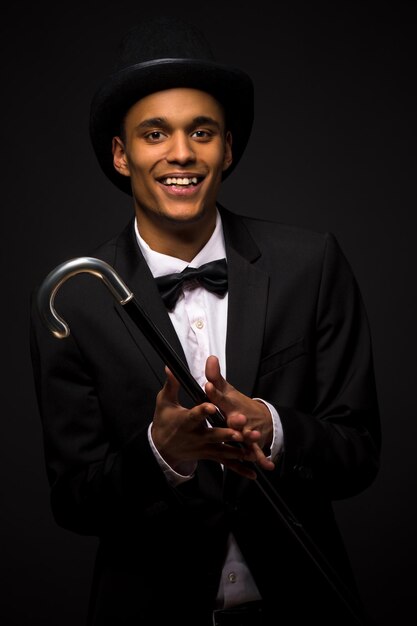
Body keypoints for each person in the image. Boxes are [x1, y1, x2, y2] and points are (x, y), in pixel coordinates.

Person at [30, 15, 381, 626]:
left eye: (202, 131)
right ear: (121, 154)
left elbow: (359, 453)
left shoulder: (313, 264)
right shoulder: (76, 299)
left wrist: (273, 425)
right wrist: (162, 453)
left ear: (228, 148)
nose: (181, 153)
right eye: (154, 133)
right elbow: (74, 502)